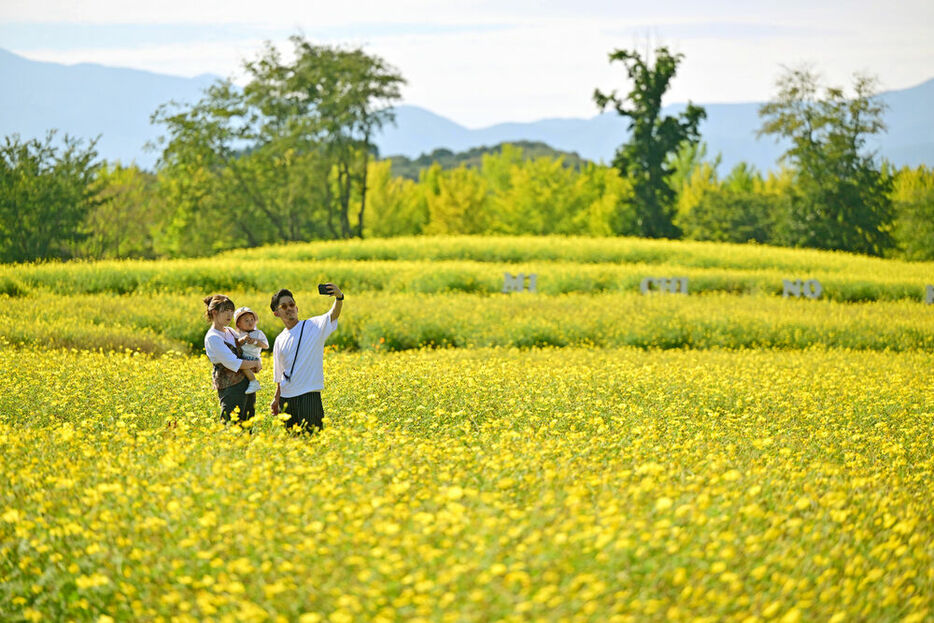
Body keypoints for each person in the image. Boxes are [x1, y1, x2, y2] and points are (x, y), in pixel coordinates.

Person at [269, 284, 343, 432]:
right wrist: (276, 398)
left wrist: (339, 297)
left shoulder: (313, 326)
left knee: (312, 441)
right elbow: (280, 372)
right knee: (291, 444)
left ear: (297, 308)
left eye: (292, 304)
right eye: (284, 306)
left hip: (309, 395)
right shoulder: (279, 339)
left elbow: (333, 314)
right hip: (286, 398)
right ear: (276, 313)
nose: (289, 308)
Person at [203, 294, 262, 426]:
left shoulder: (229, 331)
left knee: (247, 424)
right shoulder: (213, 337)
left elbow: (246, 349)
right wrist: (256, 363)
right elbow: (234, 362)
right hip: (230, 387)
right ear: (214, 312)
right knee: (231, 425)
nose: (230, 315)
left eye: (231, 311)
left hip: (246, 383)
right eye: (225, 311)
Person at [232, 307, 269, 395]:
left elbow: (266, 346)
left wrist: (256, 341)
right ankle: (251, 382)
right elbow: (236, 345)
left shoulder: (258, 333)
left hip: (253, 358)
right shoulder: (238, 334)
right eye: (246, 320)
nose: (250, 322)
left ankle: (253, 382)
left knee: (244, 366)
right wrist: (242, 340)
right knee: (241, 364)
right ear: (238, 324)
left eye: (252, 319)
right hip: (243, 357)